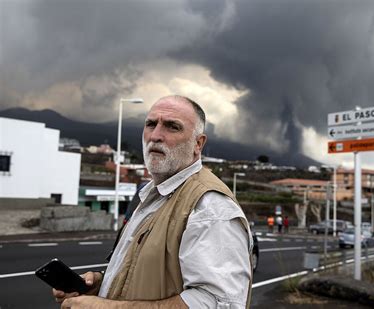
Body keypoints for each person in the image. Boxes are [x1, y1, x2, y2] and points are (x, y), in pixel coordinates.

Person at [52, 95, 253, 308]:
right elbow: (146, 275)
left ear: (198, 144)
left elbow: (220, 303)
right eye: (150, 124)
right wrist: (103, 284)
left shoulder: (210, 207)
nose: (156, 135)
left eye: (172, 127)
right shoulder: (151, 196)